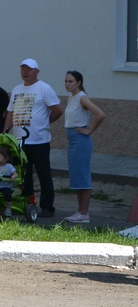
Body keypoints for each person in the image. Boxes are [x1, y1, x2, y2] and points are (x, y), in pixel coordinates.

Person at [5, 59, 63, 218]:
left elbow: (57, 109)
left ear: (36, 71)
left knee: (43, 174)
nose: (25, 72)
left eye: (29, 69)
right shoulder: (17, 89)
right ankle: (27, 202)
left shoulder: (44, 88)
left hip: (39, 140)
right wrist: (5, 130)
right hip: (20, 141)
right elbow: (10, 111)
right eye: (23, 69)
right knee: (24, 175)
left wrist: (46, 121)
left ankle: (47, 207)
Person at [62, 70, 105, 224]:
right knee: (77, 177)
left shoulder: (82, 98)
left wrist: (89, 130)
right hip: (73, 140)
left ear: (78, 82)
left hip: (81, 141)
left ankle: (84, 213)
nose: (67, 84)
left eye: (70, 81)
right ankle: (80, 211)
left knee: (83, 176)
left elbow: (100, 114)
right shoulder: (71, 97)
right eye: (66, 81)